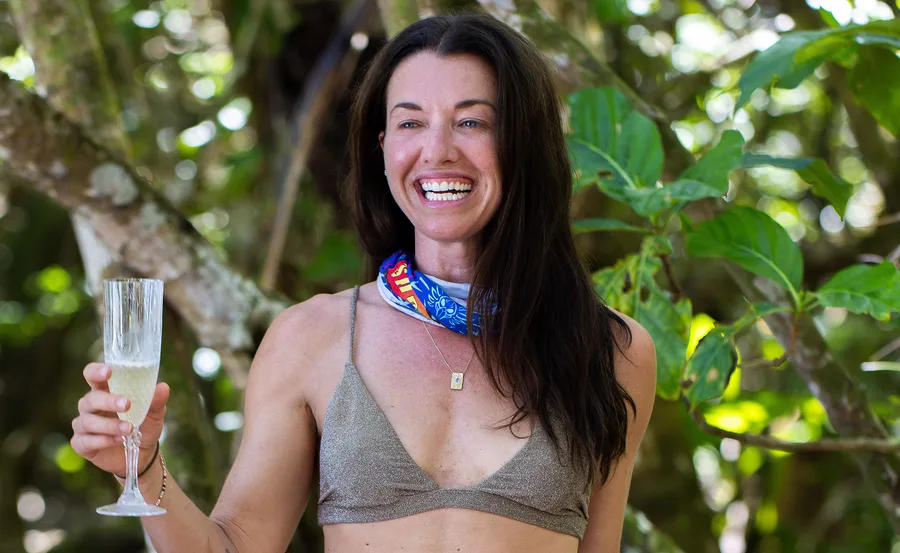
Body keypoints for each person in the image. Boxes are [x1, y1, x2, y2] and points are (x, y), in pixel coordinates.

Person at [71, 12, 657, 553]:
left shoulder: (611, 351)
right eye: (410, 123)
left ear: (524, 145)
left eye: (473, 121)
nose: (438, 150)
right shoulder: (312, 336)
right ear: (383, 149)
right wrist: (142, 465)